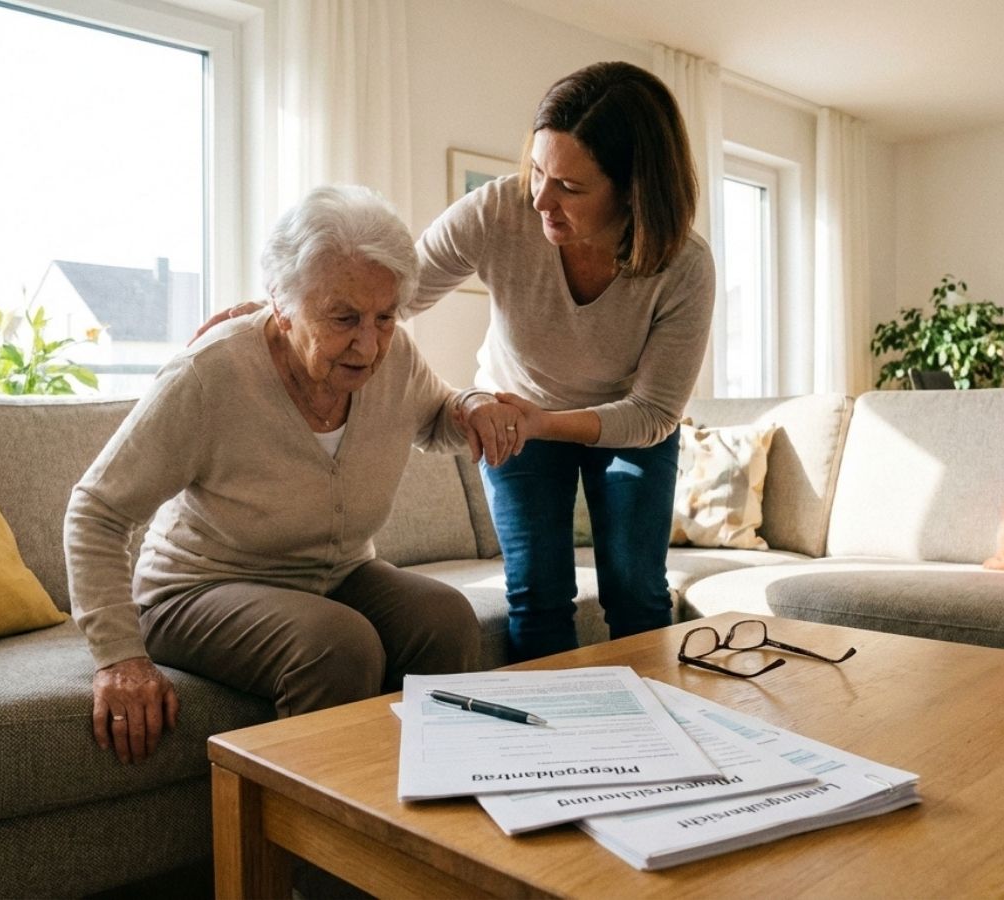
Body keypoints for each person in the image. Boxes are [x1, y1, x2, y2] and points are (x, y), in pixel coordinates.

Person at [199, 62, 714, 663]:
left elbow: (652, 412)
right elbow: (392, 293)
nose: (541, 198)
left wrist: (542, 420)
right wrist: (281, 309)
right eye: (539, 171)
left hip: (624, 428)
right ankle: (553, 747)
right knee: (538, 596)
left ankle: (656, 739)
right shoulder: (498, 209)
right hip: (515, 418)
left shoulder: (685, 266)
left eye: (570, 188)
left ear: (634, 191)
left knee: (637, 595)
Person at [66, 185, 490, 764]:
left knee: (446, 619)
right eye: (343, 318)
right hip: (196, 588)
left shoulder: (396, 360)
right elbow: (97, 512)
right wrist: (118, 657)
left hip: (336, 574)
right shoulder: (210, 375)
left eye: (385, 317)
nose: (368, 346)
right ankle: (319, 847)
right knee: (339, 647)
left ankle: (435, 803)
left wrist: (472, 407)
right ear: (282, 303)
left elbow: (436, 416)